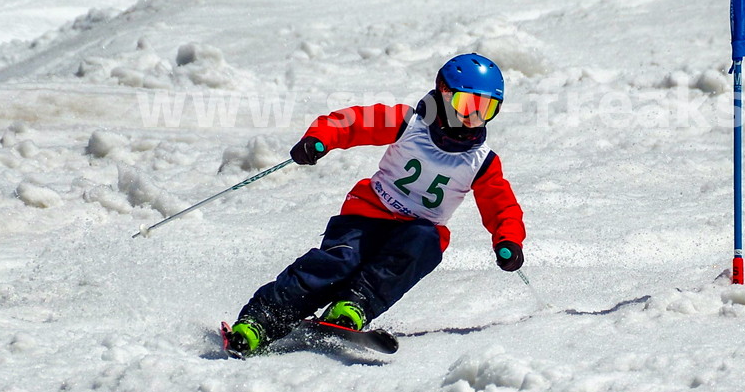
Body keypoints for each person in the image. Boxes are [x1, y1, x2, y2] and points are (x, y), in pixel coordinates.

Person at [223, 53, 526, 356]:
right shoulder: (409, 124)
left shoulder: (481, 161)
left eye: (486, 110)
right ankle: (260, 320)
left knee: (426, 242)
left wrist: (509, 240)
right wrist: (320, 139)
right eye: (466, 106)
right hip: (366, 217)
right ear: (444, 94)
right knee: (338, 262)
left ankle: (353, 306)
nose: (472, 118)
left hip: (415, 233)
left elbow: (502, 207)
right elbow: (351, 122)